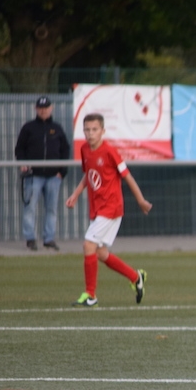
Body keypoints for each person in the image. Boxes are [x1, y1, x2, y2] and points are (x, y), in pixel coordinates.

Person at [65, 113, 152, 308]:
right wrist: (76, 194)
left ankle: (91, 295)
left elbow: (127, 176)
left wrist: (140, 200)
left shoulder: (110, 152)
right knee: (100, 253)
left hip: (111, 207)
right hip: (98, 208)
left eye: (94, 129)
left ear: (103, 131)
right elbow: (89, 174)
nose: (90, 133)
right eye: (87, 130)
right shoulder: (85, 149)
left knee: (88, 245)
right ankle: (135, 277)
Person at [14, 96, 71, 251]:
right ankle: (30, 238)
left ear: (51, 109)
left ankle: (49, 238)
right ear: (36, 109)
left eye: (46, 108)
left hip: (53, 177)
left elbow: (65, 149)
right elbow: (19, 149)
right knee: (30, 208)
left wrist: (62, 171)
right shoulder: (28, 128)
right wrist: (23, 163)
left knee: (51, 209)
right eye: (40, 108)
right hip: (33, 176)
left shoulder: (57, 128)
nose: (43, 111)